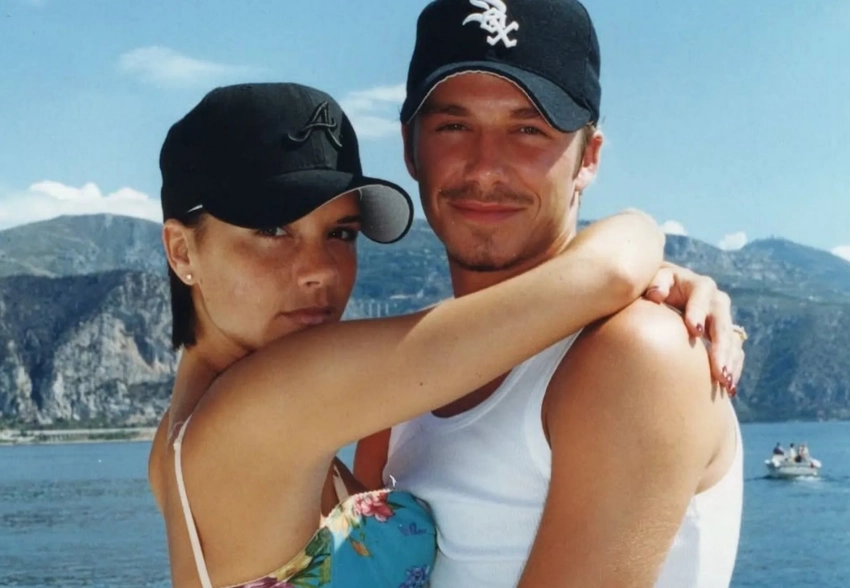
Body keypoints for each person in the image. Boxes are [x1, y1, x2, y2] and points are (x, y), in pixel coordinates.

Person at [146, 81, 698, 587]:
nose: (319, 269)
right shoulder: (266, 407)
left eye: (341, 232)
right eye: (272, 229)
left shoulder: (183, 434)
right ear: (181, 251)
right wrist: (644, 232)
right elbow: (603, 274)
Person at [355, 1, 746, 586]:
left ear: (589, 158)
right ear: (411, 149)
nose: (486, 168)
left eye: (528, 129)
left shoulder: (638, 352)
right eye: (454, 126)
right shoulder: (408, 372)